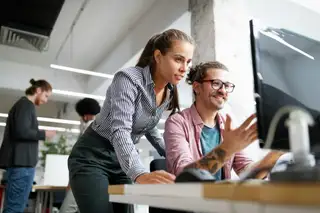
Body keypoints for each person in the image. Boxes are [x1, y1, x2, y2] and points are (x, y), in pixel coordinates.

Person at [68, 29, 195, 213]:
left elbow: (149, 127)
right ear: (158, 56)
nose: (184, 68)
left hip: (120, 162)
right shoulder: (128, 79)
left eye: (188, 62)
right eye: (178, 59)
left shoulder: (167, 91)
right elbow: (120, 131)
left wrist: (172, 155)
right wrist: (140, 173)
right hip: (92, 157)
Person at [164, 61, 285, 180]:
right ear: (197, 87)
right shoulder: (177, 123)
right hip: (191, 199)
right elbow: (184, 176)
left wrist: (277, 151)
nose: (223, 91)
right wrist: (227, 148)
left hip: (221, 198)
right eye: (216, 83)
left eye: (227, 86)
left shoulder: (227, 125)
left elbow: (248, 173)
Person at [0, 79, 56, 213]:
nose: (46, 100)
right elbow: (21, 131)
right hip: (21, 166)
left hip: (20, 166)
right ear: (38, 91)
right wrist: (44, 134)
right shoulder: (26, 105)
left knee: (14, 207)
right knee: (15, 208)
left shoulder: (23, 105)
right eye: (46, 95)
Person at [60, 98, 101, 213]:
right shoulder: (93, 126)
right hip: (87, 175)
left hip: (85, 175)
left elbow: (81, 156)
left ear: (86, 115)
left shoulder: (91, 128)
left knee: (67, 209)